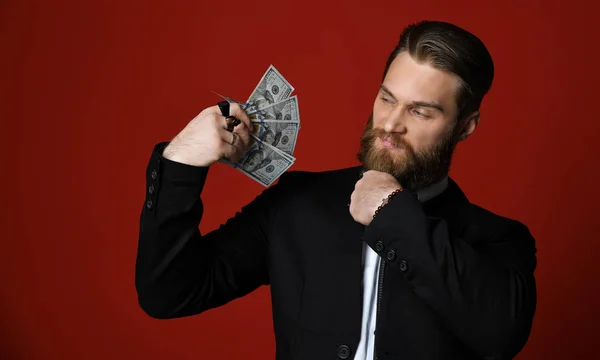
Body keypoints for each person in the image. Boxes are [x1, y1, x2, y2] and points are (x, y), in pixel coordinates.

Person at [135, 20, 537, 360]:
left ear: (465, 125)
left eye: (420, 111)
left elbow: (500, 334)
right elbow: (171, 293)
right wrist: (180, 163)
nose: (391, 124)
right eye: (386, 99)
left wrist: (392, 213)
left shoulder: (498, 240)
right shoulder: (297, 205)